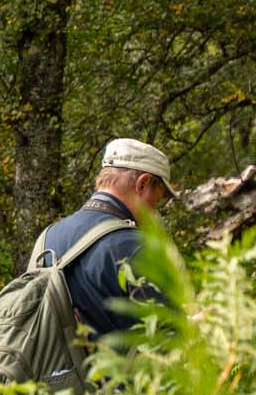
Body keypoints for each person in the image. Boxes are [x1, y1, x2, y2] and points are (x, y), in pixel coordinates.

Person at [33, 137, 176, 338]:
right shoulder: (134, 245)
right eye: (157, 200)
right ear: (142, 184)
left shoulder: (47, 238)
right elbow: (171, 337)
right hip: (119, 369)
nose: (154, 211)